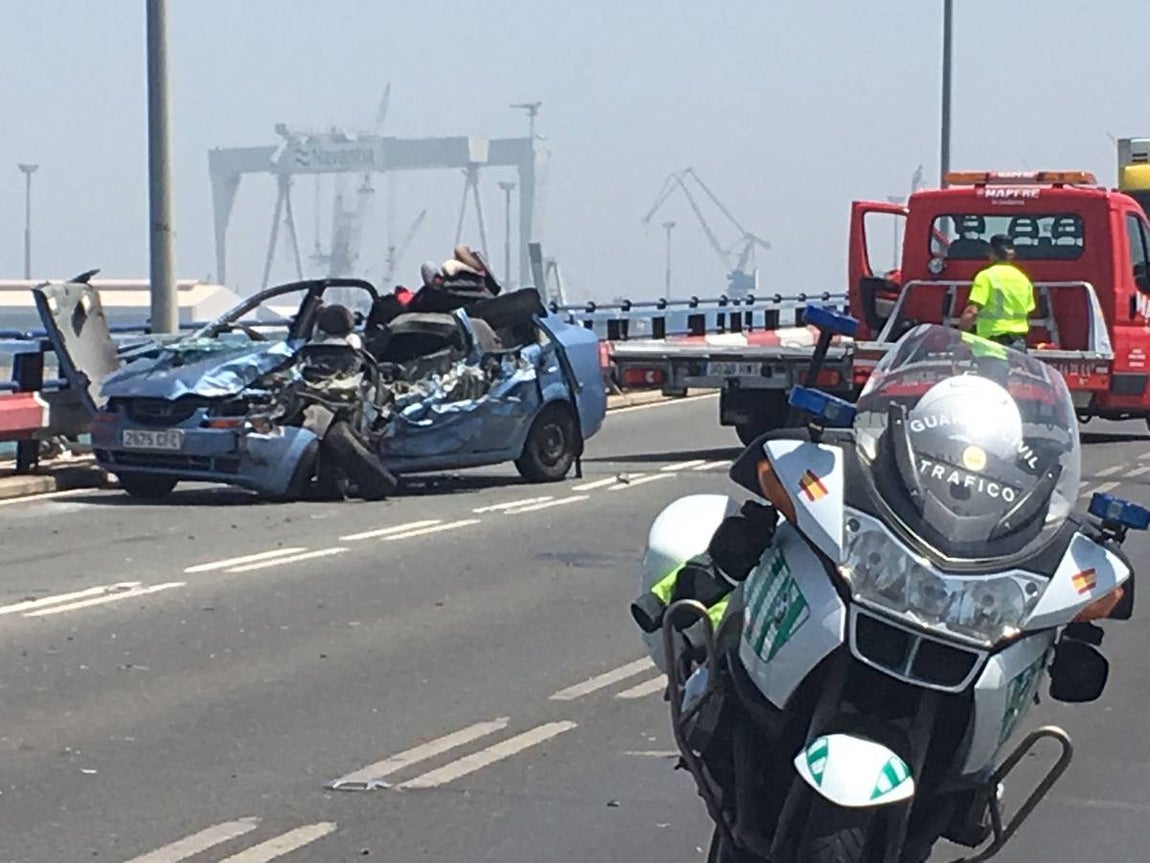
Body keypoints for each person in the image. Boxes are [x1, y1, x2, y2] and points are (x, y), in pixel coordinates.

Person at [959, 234, 1035, 352]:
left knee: (990, 371)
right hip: (1018, 345)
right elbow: (1028, 310)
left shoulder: (986, 276)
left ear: (991, 252)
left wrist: (962, 335)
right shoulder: (1023, 278)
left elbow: (972, 311)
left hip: (992, 344)